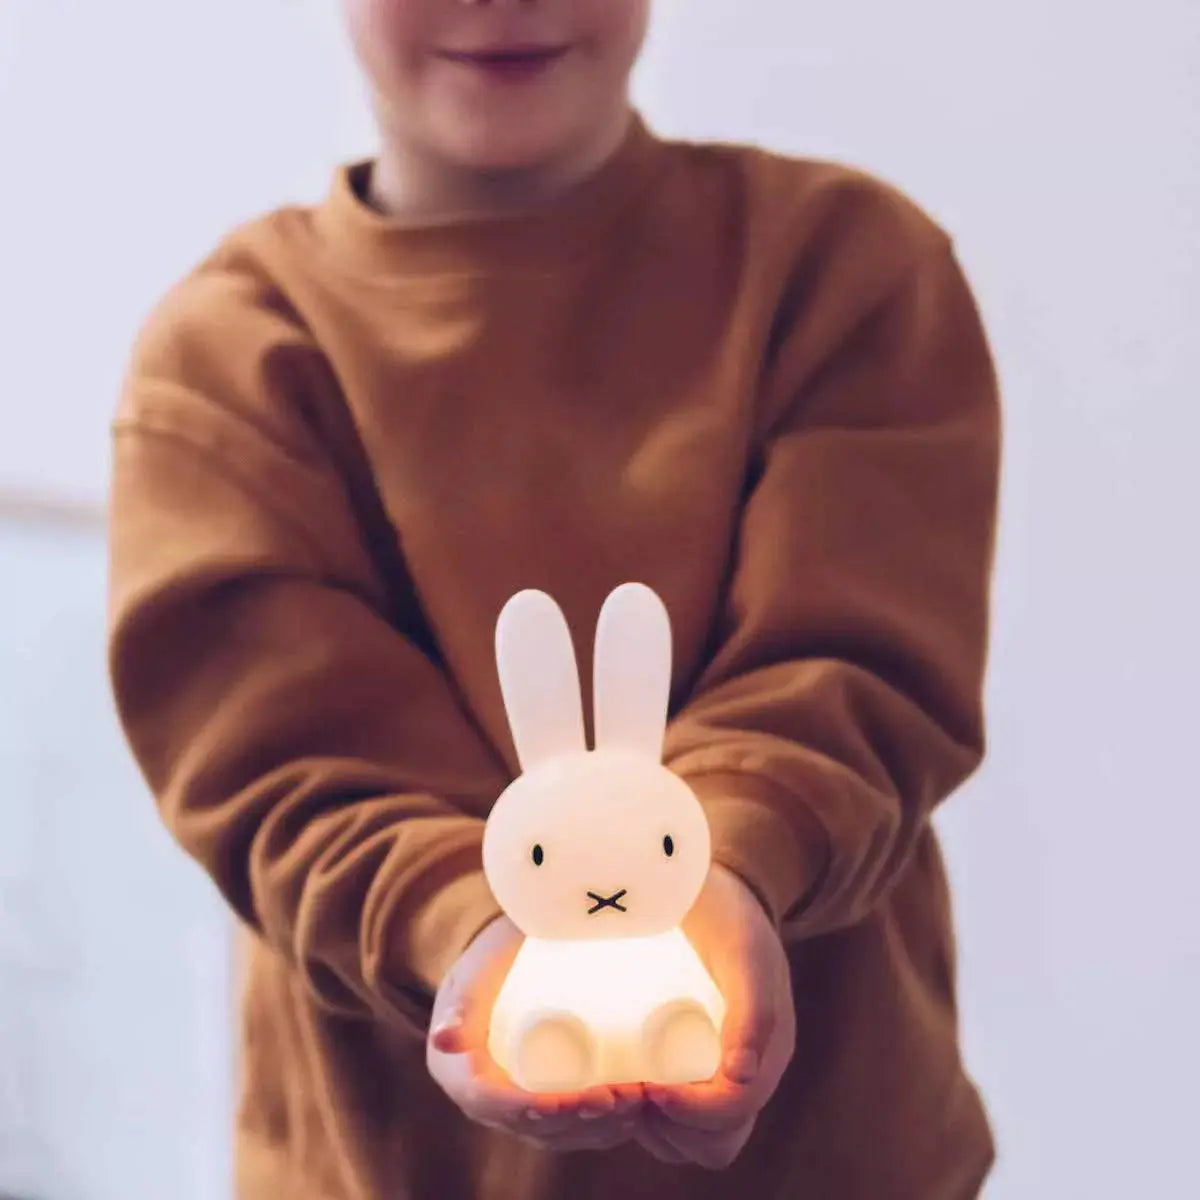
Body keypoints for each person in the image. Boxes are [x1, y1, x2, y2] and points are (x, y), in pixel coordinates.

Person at [105, 1, 1002, 1196]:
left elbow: (856, 666)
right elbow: (280, 764)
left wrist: (719, 871)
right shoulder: (228, 359)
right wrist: (476, 928)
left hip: (830, 1159)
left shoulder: (844, 269)